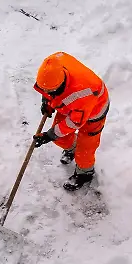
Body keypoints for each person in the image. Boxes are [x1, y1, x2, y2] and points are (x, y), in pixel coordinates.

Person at [31, 52, 110, 191]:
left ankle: (85, 174)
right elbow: (48, 89)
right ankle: (72, 149)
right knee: (61, 138)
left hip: (94, 112)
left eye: (50, 91)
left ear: (60, 85)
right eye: (45, 90)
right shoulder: (53, 63)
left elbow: (74, 123)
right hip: (70, 106)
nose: (47, 93)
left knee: (85, 150)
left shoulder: (82, 93)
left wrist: (48, 136)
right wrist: (47, 102)